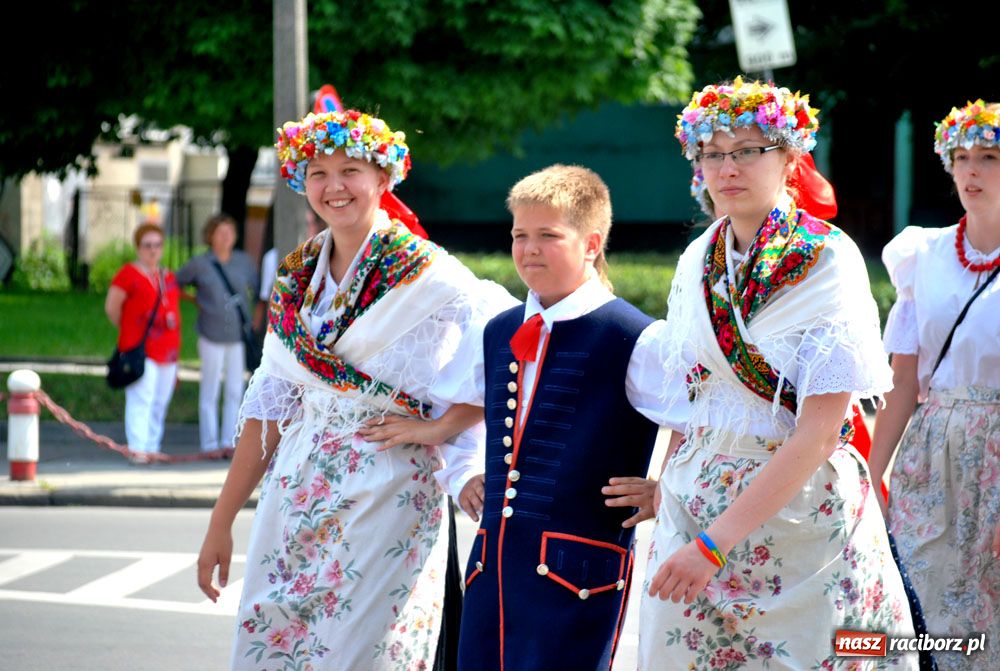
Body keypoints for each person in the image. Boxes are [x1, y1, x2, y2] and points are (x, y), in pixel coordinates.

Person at [196, 108, 514, 670]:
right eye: (318, 172)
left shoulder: (428, 273)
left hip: (387, 495)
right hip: (295, 494)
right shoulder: (297, 274)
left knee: (367, 655)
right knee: (278, 647)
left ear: (383, 179)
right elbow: (269, 406)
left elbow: (512, 345)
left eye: (351, 170)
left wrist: (441, 428)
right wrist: (221, 522)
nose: (333, 186)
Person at [639, 78, 917, 669]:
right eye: (712, 153)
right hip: (695, 503)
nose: (726, 167)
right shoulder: (698, 258)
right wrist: (667, 485)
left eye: (748, 150)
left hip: (797, 511)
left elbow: (818, 433)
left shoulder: (824, 257)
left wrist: (713, 546)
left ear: (790, 158)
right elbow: (692, 394)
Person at [364, 164, 688, 670]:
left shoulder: (632, 336)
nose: (529, 248)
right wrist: (466, 469)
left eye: (548, 235)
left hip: (578, 572)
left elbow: (703, 416)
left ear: (591, 243)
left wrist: (669, 488)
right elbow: (469, 404)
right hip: (493, 563)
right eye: (519, 235)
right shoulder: (500, 330)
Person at [869, 99, 1000, 671]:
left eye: (990, 157)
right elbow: (902, 384)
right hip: (931, 452)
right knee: (918, 606)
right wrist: (870, 476)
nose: (971, 171)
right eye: (962, 157)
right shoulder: (922, 253)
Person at [176, 213, 259, 456]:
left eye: (230, 232)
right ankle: (210, 444)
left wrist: (254, 320)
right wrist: (195, 300)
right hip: (210, 333)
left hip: (237, 337)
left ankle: (229, 441)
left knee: (235, 389)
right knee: (210, 389)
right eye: (220, 232)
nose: (226, 237)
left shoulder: (244, 261)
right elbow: (176, 283)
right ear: (210, 236)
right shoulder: (200, 263)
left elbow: (258, 289)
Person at [104, 221, 181, 463]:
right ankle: (138, 448)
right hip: (140, 349)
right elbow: (112, 308)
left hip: (167, 349)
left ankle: (152, 446)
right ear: (138, 247)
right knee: (141, 399)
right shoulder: (128, 274)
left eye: (157, 245)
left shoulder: (166, 276)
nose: (153, 250)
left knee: (160, 401)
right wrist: (129, 330)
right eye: (147, 245)